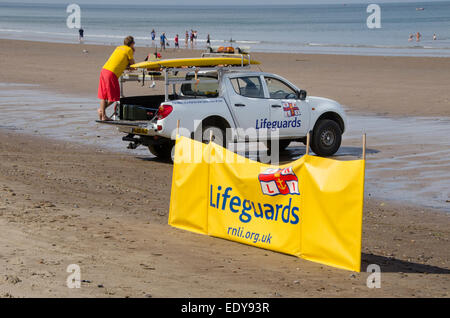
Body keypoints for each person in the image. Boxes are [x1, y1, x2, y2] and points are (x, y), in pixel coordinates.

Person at [97, 36, 135, 121]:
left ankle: (103, 116)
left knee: (104, 96)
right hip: (111, 73)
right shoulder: (129, 50)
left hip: (104, 70)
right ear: (132, 44)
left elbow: (119, 61)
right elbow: (132, 65)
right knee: (115, 97)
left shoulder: (118, 48)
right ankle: (101, 111)